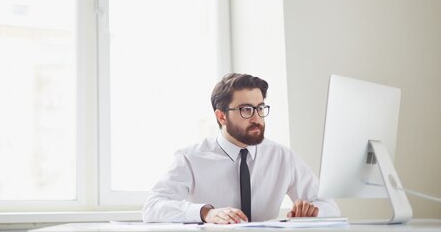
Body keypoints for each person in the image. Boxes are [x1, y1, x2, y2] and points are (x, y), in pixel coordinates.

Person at [142, 73, 340, 224]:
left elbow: (330, 206)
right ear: (221, 117)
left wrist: (312, 211)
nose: (256, 118)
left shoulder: (281, 156)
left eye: (260, 108)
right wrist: (206, 213)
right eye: (246, 109)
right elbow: (152, 207)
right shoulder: (190, 157)